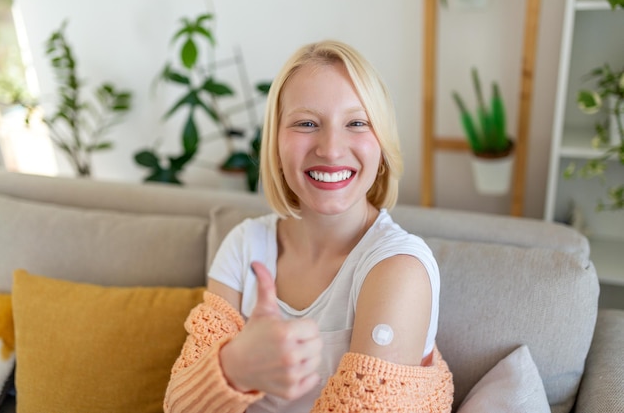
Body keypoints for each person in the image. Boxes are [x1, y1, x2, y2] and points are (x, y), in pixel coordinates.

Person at [163, 39, 454, 413]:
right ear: (277, 147)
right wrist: (234, 366)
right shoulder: (244, 245)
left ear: (382, 148)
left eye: (357, 123)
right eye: (306, 123)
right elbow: (178, 407)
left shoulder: (399, 270)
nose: (331, 149)